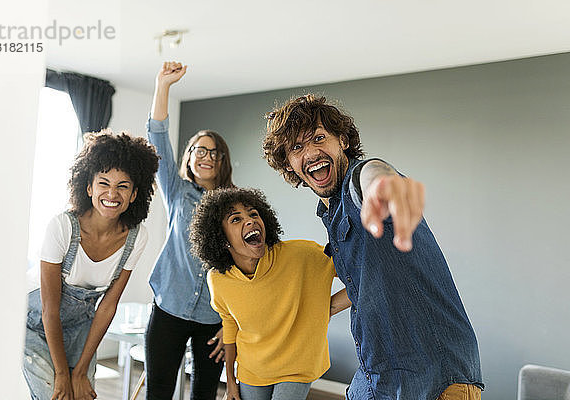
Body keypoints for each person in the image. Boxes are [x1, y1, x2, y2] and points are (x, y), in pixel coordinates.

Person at [262, 94, 484, 400]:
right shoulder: (329, 212)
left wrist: (382, 185)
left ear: (342, 140)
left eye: (319, 138)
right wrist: (318, 311)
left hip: (433, 378)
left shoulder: (358, 178)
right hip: (380, 373)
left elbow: (373, 174)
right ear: (289, 163)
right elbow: (363, 284)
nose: (311, 153)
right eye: (297, 148)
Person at [22, 130, 159, 400]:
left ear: (133, 194)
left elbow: (107, 305)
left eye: (123, 186)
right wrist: (63, 373)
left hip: (80, 328)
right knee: (53, 394)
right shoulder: (62, 226)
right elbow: (50, 308)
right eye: (104, 183)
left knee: (82, 393)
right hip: (35, 323)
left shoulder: (136, 237)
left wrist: (81, 369)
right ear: (89, 187)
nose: (112, 193)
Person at [189, 187, 351, 400]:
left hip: (298, 365)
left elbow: (357, 276)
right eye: (236, 219)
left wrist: (325, 309)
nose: (250, 221)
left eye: (253, 214)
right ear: (222, 239)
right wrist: (230, 381)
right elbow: (230, 326)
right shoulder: (218, 280)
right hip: (252, 369)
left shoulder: (302, 255)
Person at [145, 61, 234, 400]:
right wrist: (162, 86)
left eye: (214, 152)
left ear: (222, 160)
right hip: (168, 308)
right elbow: (157, 138)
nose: (207, 156)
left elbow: (240, 266)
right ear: (190, 156)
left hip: (213, 318)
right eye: (200, 150)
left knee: (204, 394)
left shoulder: (234, 204)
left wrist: (232, 324)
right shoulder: (177, 190)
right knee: (160, 392)